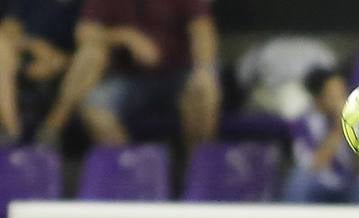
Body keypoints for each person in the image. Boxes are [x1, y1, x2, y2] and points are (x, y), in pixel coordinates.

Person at [38, 0, 220, 149]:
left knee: (205, 90)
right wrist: (125, 36)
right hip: (129, 78)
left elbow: (202, 29)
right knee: (93, 106)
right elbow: (84, 33)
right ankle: (131, 168)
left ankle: (198, 170)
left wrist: (204, 70)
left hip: (178, 75)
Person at [280, 67, 359, 204]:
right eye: (333, 95)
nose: (341, 100)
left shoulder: (358, 121)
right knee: (299, 179)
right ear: (319, 98)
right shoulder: (303, 122)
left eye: (342, 93)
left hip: (348, 184)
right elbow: (312, 165)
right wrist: (339, 128)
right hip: (317, 183)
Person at [0, 0, 83, 143]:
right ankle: (11, 128)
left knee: (79, 61)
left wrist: (54, 59)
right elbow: (9, 29)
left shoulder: (84, 7)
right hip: (22, 58)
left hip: (66, 65)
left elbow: (87, 46)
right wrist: (36, 47)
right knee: (2, 48)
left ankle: (49, 129)